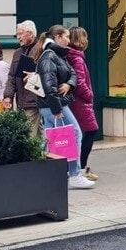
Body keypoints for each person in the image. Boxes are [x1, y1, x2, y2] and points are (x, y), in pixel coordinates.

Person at [34, 25, 95, 190]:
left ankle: (43, 173)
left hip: (53, 105)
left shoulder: (57, 55)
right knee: (73, 134)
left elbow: (72, 74)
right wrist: (56, 109)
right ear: (58, 37)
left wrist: (69, 84)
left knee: (51, 139)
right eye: (67, 37)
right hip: (54, 105)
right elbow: (49, 86)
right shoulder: (49, 56)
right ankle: (75, 174)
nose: (69, 40)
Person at [67, 26, 100, 180]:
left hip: (75, 101)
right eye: (84, 37)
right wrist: (89, 95)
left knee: (78, 133)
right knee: (90, 131)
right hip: (80, 102)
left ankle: (77, 167)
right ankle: (80, 167)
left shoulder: (71, 55)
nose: (87, 40)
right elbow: (79, 82)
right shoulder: (77, 58)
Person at [3, 20, 42, 134]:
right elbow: (12, 76)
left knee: (28, 135)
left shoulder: (41, 50)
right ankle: (42, 152)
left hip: (34, 100)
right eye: (17, 34)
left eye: (20, 34)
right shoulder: (18, 52)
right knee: (38, 135)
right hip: (21, 101)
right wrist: (8, 95)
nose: (18, 37)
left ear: (30, 34)